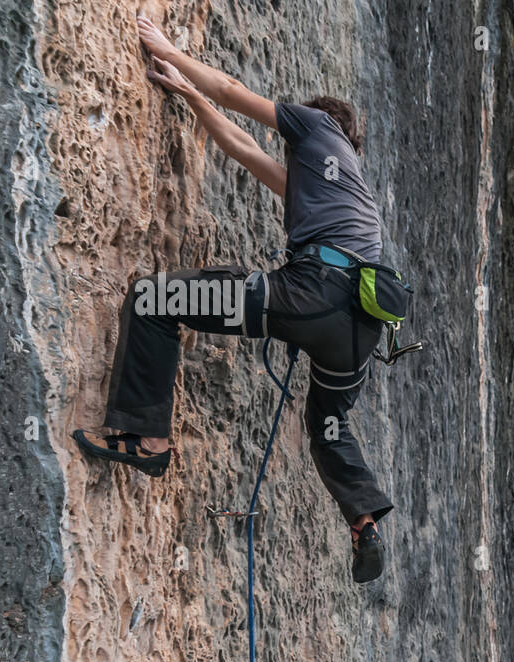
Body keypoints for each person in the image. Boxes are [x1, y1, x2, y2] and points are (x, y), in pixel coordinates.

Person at [74, 14, 393, 583]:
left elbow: (238, 96)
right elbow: (243, 147)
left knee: (156, 298)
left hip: (310, 295)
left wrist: (168, 49)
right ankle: (364, 519)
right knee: (327, 421)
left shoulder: (318, 125)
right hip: (359, 332)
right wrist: (192, 96)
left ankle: (146, 437)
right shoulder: (345, 186)